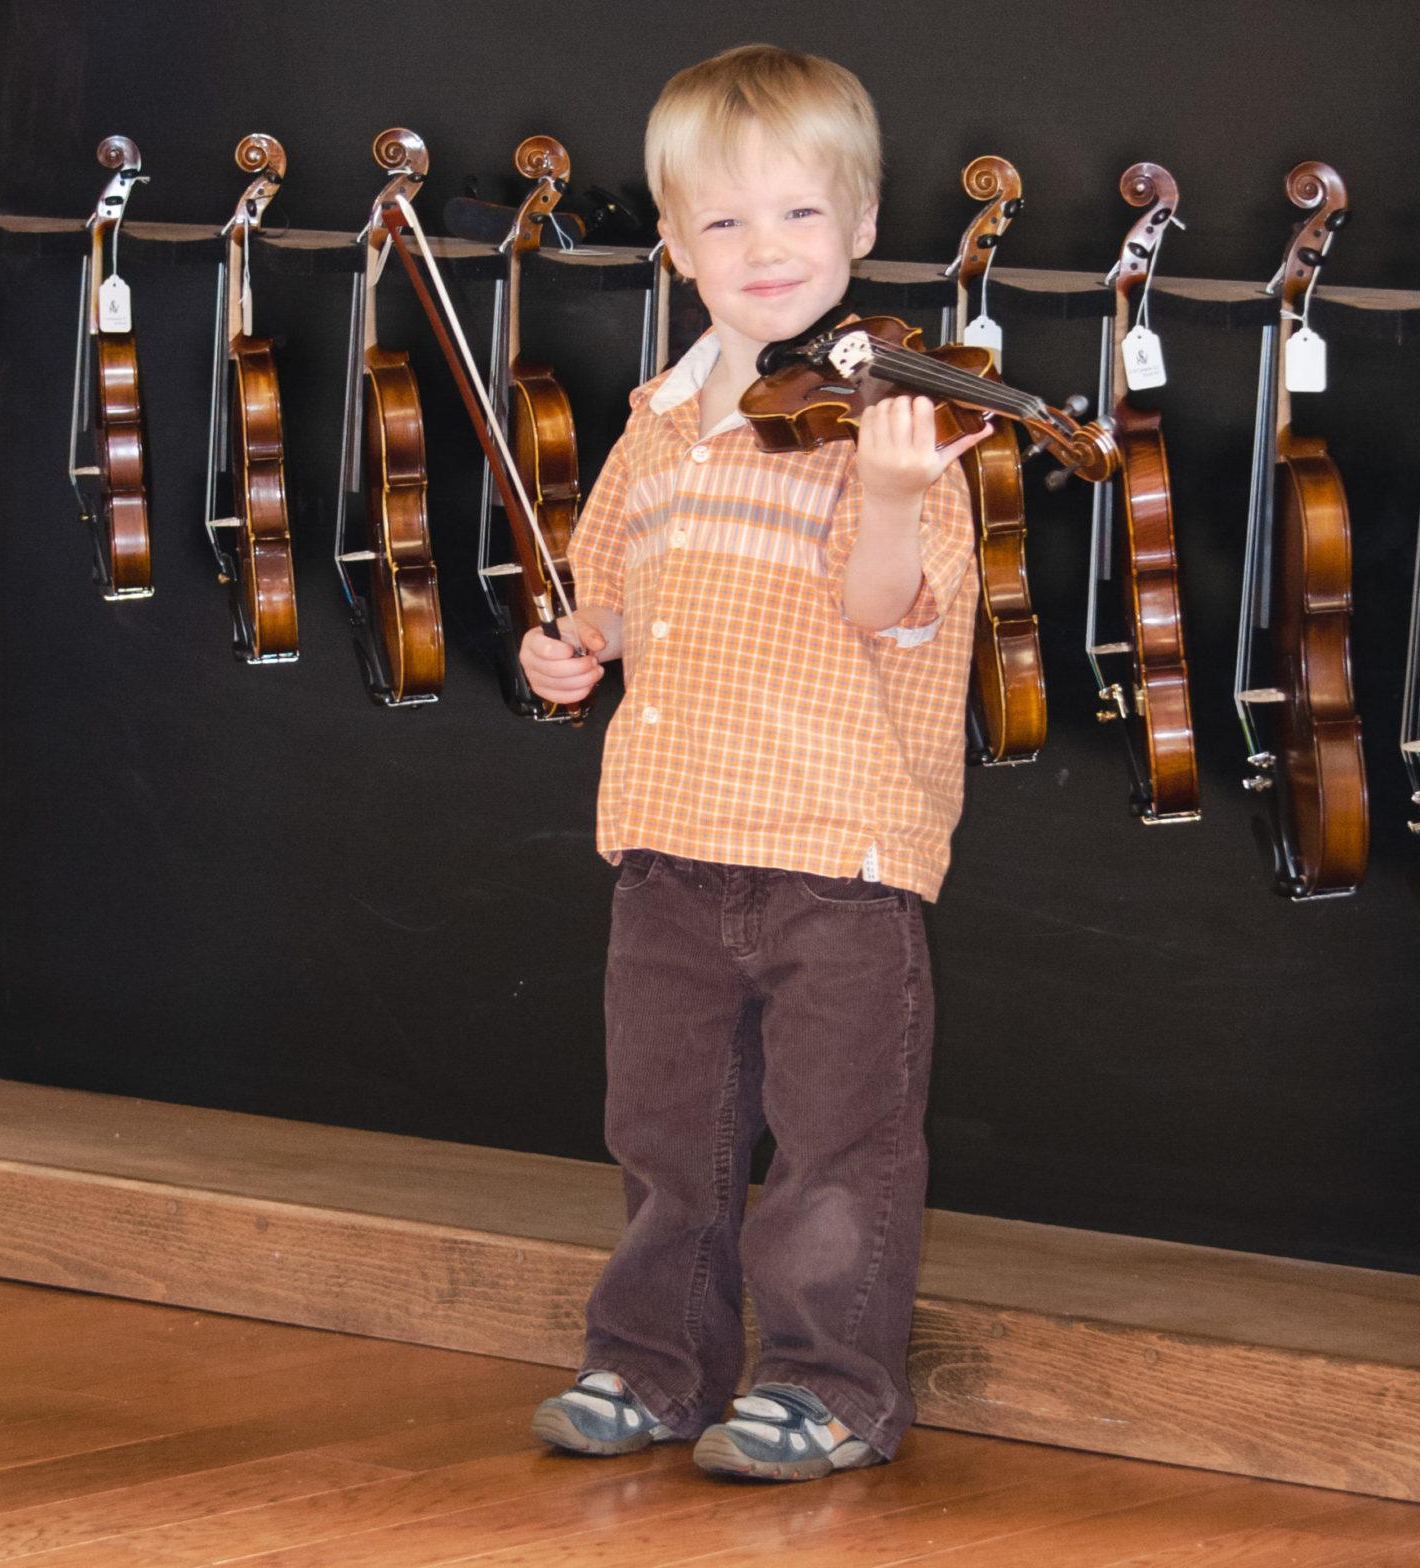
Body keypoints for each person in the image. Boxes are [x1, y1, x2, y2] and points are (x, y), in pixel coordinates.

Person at [520, 43, 985, 1482]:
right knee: (667, 1137)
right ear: (674, 247)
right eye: (723, 223)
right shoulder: (656, 430)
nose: (763, 251)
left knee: (839, 1149)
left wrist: (898, 494)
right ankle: (652, 1366)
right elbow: (601, 595)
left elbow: (880, 609)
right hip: (666, 840)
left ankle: (830, 1387)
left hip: (835, 857)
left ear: (858, 227)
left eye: (798, 216)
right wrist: (568, 653)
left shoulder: (896, 431)